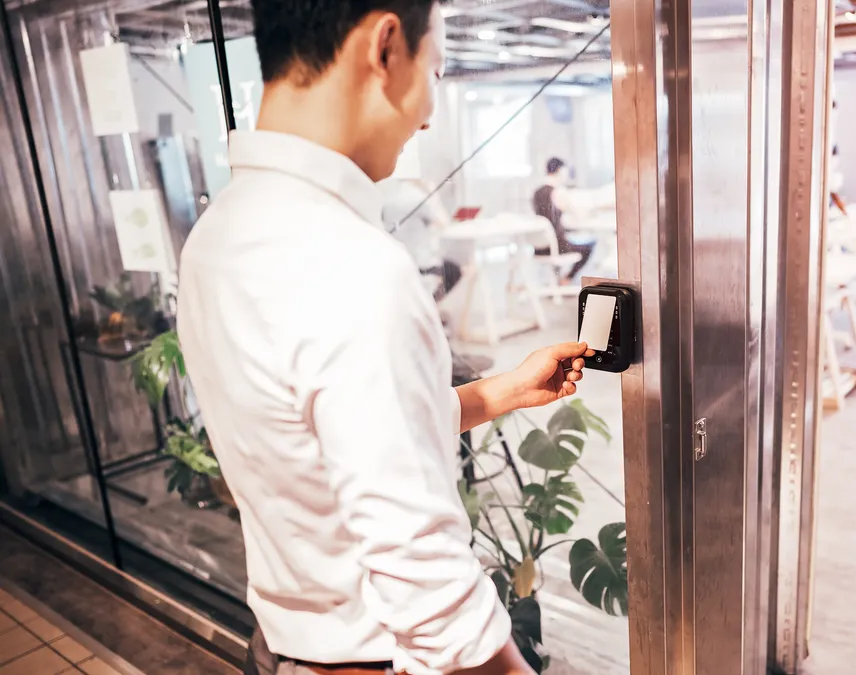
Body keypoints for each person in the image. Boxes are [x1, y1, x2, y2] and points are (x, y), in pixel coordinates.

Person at [175, 2, 592, 674]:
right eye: (437, 69)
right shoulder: (354, 267)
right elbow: (430, 592)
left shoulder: (214, 238)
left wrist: (503, 391)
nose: (428, 112)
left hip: (280, 648)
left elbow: (324, 441)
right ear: (386, 46)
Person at [378, 174, 462, 298]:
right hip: (421, 265)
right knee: (456, 271)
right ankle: (433, 309)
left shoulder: (388, 197)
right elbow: (444, 224)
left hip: (395, 262)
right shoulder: (419, 197)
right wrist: (431, 191)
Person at [531, 157, 594, 282]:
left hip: (540, 247)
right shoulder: (558, 192)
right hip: (557, 246)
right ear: (560, 170)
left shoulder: (537, 192)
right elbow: (577, 213)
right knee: (590, 245)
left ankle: (559, 279)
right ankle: (567, 279)